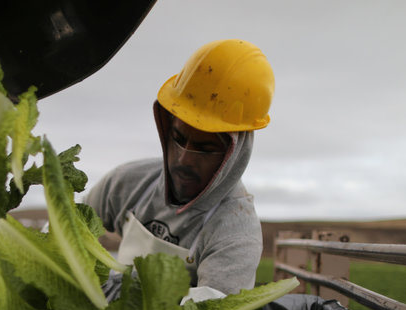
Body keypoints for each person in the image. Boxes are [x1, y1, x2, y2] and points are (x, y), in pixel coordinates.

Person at [83, 39, 275, 296]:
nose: (184, 160)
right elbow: (66, 230)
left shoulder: (236, 234)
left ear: (235, 152)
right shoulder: (128, 182)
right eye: (179, 139)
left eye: (205, 149)